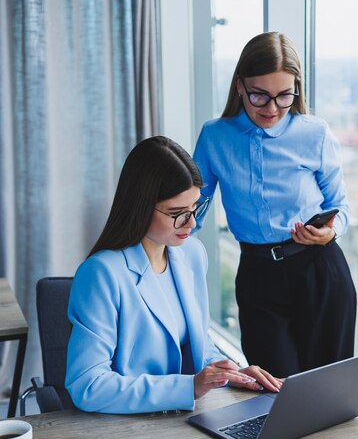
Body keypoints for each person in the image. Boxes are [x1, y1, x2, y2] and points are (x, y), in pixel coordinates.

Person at [65, 136, 281, 414]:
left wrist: (231, 373)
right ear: (141, 206)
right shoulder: (101, 274)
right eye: (177, 213)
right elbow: (87, 385)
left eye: (195, 208)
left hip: (188, 418)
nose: (191, 223)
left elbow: (199, 349)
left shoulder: (191, 254)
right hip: (129, 426)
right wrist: (188, 388)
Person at [194, 31, 357, 380]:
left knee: (328, 393)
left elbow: (340, 206)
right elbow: (194, 207)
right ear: (240, 86)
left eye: (284, 96)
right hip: (257, 276)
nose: (271, 109)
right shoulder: (214, 136)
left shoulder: (315, 133)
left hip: (319, 270)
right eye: (259, 95)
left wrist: (330, 233)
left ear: (296, 87)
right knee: (272, 392)